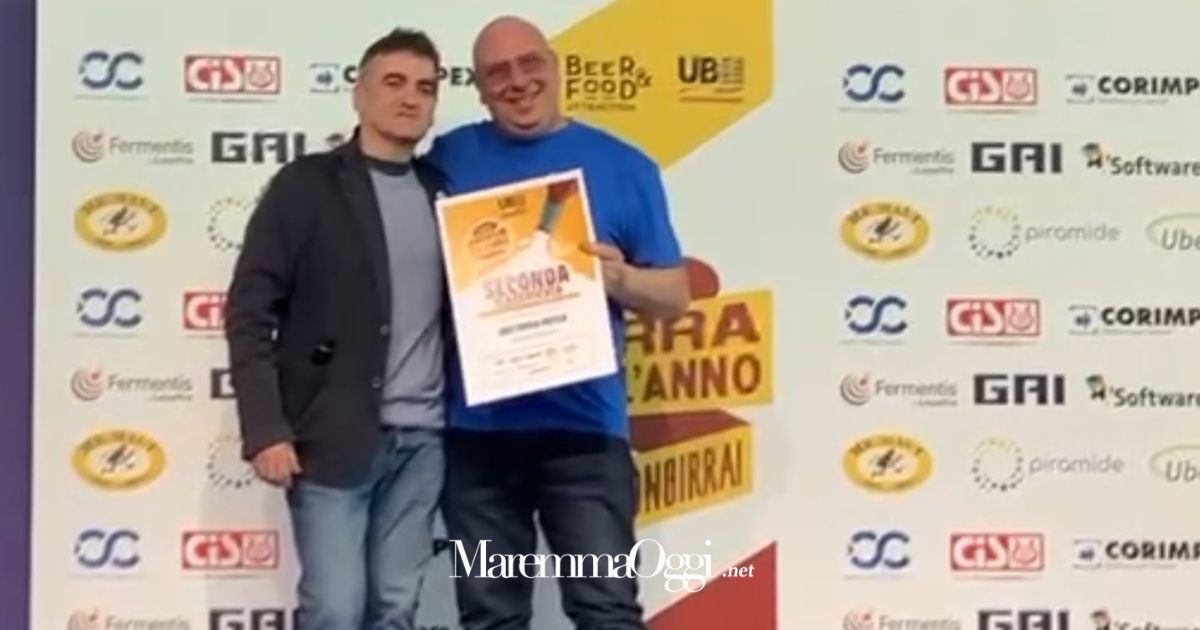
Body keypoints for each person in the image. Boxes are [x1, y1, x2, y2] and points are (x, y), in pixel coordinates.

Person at [425, 15, 691, 630]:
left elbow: (674, 296)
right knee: (491, 617)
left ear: (555, 67)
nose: (517, 82)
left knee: (606, 613)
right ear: (479, 88)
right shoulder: (447, 160)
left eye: (530, 64)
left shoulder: (625, 166)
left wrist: (617, 278)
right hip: (478, 438)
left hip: (586, 435)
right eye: (498, 73)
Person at [224, 27, 447, 630]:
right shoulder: (306, 186)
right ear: (359, 93)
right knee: (335, 609)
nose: (410, 98)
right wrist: (265, 428)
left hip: (425, 442)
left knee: (396, 608)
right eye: (394, 82)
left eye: (425, 87)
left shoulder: (444, 193)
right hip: (329, 437)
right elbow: (250, 310)